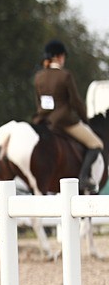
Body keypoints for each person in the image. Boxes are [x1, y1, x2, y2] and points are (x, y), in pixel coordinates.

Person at [33, 39, 104, 192]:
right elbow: (76, 102)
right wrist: (86, 120)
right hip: (63, 122)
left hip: (44, 121)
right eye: (63, 56)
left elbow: (39, 102)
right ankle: (83, 178)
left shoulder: (39, 76)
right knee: (96, 144)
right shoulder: (65, 75)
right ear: (59, 57)